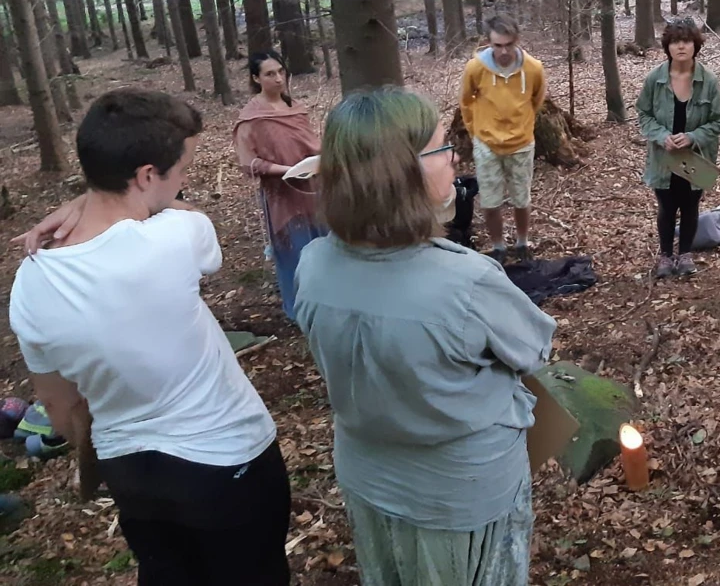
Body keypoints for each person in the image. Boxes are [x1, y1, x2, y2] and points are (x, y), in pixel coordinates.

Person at [9, 90, 290, 585]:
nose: (183, 183)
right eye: (182, 170)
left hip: (130, 474)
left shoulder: (30, 280)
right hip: (228, 461)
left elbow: (59, 406)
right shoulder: (180, 234)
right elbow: (177, 225)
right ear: (145, 175)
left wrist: (86, 199)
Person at [294, 88, 556, 586]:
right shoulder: (467, 282)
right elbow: (534, 349)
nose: (454, 158)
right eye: (441, 147)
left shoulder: (313, 265)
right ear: (401, 173)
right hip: (460, 494)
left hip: (367, 476)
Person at [234, 51, 325, 318]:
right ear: (256, 78)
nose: (278, 78)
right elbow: (249, 163)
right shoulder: (251, 117)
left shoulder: (295, 108)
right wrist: (287, 170)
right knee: (294, 254)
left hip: (312, 189)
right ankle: (300, 311)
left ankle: (325, 306)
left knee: (322, 249)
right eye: (269, 74)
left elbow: (311, 145)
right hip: (282, 195)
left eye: (280, 72)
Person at [635, 18, 720, 277]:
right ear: (667, 46)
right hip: (663, 157)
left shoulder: (708, 80)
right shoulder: (655, 78)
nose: (681, 47)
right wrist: (662, 135)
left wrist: (693, 137)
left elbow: (717, 120)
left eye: (686, 41)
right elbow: (643, 113)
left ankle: (685, 254)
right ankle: (665, 256)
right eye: (675, 42)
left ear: (695, 45)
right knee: (666, 206)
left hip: (695, 157)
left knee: (690, 205)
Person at [460, 15, 547, 263]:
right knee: (490, 199)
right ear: (489, 43)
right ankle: (498, 246)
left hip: (521, 143)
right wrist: (475, 131)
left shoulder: (533, 68)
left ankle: (522, 242)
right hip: (487, 144)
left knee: (522, 197)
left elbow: (536, 100)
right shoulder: (475, 68)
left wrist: (523, 125)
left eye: (509, 44)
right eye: (498, 45)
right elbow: (466, 101)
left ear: (517, 41)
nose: (504, 51)